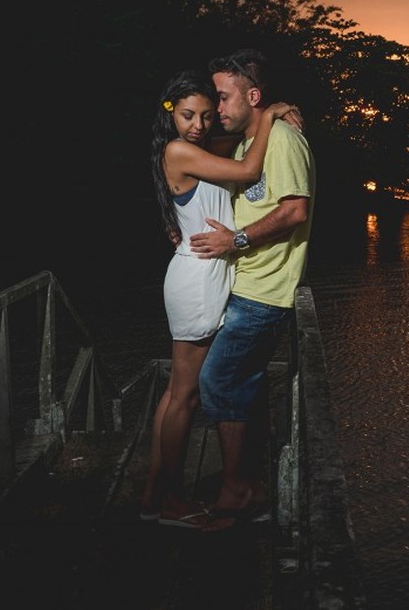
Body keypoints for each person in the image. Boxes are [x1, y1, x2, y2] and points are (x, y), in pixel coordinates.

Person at [140, 70, 300, 530]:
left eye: (208, 116)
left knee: (176, 392)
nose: (198, 124)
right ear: (170, 113)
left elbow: (239, 153)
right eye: (189, 115)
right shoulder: (178, 150)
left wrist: (268, 116)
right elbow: (250, 170)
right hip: (198, 278)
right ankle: (169, 500)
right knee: (186, 396)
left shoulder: (204, 151)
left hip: (206, 273)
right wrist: (269, 113)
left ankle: (154, 491)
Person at [188, 48, 316, 520]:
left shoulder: (282, 139)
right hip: (245, 288)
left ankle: (237, 491)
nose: (216, 109)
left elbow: (294, 209)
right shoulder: (249, 143)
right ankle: (254, 488)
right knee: (242, 385)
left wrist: (235, 240)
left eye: (223, 98)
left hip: (264, 294)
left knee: (218, 380)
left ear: (252, 95)